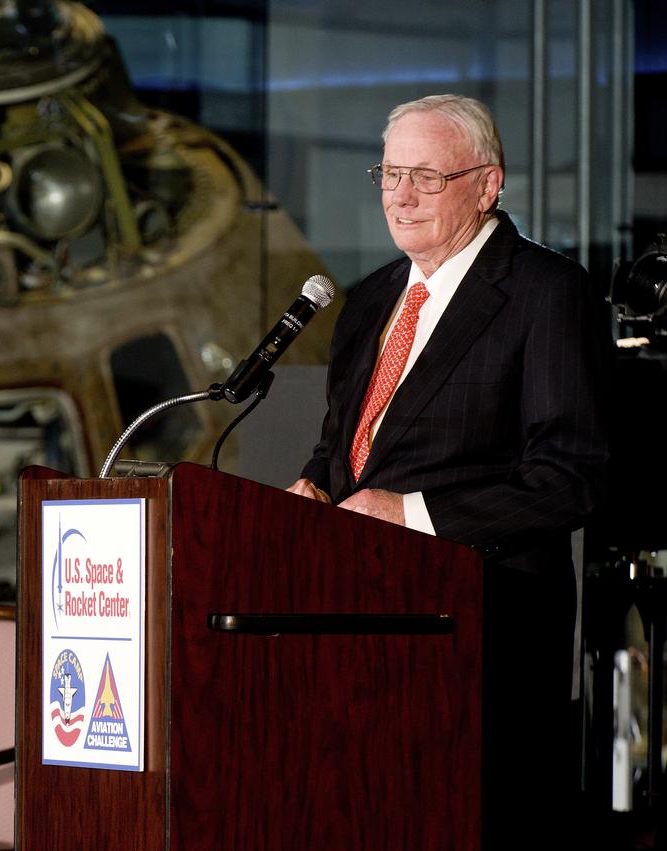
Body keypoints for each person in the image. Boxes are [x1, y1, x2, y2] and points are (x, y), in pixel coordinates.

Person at [287, 94, 608, 847]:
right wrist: (313, 490)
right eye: (390, 173)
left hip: (480, 637)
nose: (399, 195)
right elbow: (344, 450)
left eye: (426, 177)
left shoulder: (546, 293)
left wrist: (416, 514)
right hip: (356, 637)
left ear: (488, 184)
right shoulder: (368, 302)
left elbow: (574, 475)